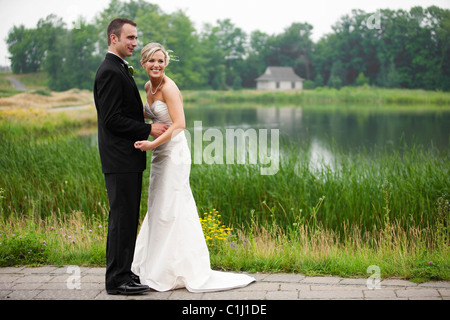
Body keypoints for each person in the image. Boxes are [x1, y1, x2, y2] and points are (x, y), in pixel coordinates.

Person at [131, 42, 256, 292]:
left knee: (173, 205)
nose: (156, 65)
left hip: (173, 152)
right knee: (159, 206)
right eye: (151, 61)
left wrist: (152, 142)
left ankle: (178, 269)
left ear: (166, 63)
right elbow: (155, 116)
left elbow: (179, 124)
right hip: (159, 153)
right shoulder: (148, 86)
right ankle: (157, 264)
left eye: (161, 61)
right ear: (143, 63)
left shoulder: (169, 87)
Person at [93, 18, 168, 295]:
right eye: (130, 38)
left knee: (126, 218)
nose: (135, 43)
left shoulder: (118, 68)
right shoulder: (110, 71)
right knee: (121, 219)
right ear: (114, 38)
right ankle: (116, 281)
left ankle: (125, 273)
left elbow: (123, 111)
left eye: (136, 38)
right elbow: (112, 120)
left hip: (126, 158)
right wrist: (148, 128)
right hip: (120, 158)